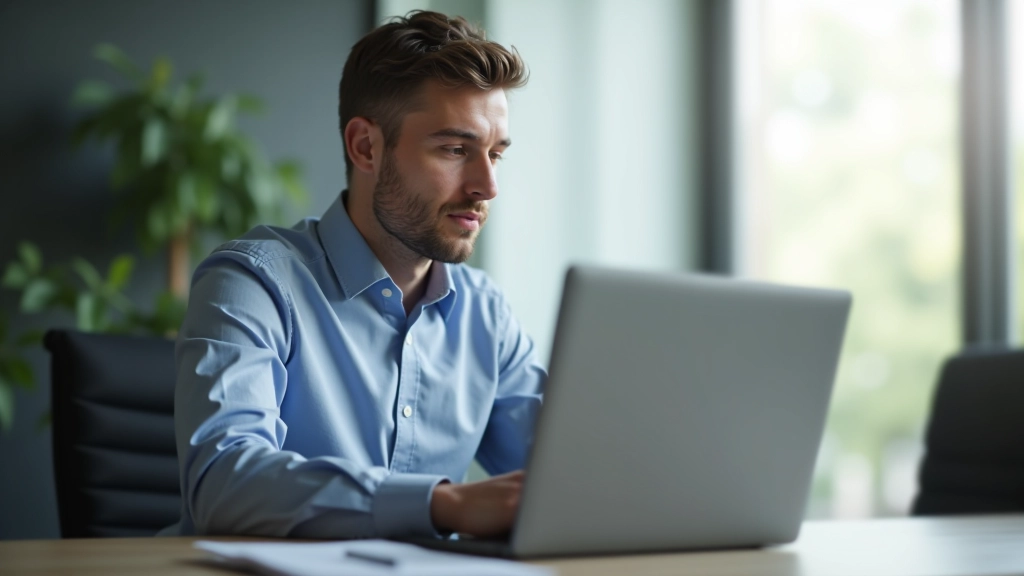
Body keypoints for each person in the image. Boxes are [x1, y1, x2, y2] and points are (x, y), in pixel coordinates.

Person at [162, 11, 545, 540]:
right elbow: (222, 483)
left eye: (495, 154)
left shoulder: (486, 313)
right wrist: (442, 505)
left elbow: (569, 473)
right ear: (365, 146)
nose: (487, 185)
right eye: (456, 150)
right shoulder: (252, 284)